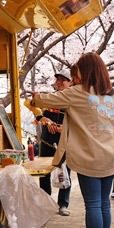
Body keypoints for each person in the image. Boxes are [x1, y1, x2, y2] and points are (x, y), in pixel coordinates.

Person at [32, 53, 114, 228]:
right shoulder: (111, 94)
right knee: (103, 204)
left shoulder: (77, 92)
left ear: (86, 70)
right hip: (110, 155)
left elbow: (46, 99)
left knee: (92, 204)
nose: (75, 76)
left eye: (77, 72)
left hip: (89, 156)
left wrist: (34, 97)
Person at [37, 69, 73, 216]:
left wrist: (63, 129)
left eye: (62, 80)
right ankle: (45, 202)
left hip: (65, 142)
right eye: (57, 80)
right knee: (43, 172)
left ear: (70, 83)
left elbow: (77, 121)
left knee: (66, 171)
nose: (59, 82)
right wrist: (45, 120)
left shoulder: (73, 99)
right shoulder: (49, 97)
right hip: (46, 141)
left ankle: (63, 204)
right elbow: (37, 113)